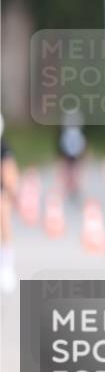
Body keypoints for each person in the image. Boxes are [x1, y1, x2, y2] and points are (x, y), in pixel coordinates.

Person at [1, 114, 20, 293]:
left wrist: (12, 194)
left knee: (4, 220)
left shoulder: (3, 148)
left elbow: (9, 175)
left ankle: (6, 267)